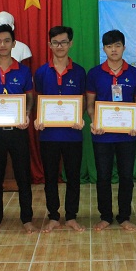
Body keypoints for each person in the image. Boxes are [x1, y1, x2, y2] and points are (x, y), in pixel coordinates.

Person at [0, 24, 36, 234]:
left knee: (23, 177)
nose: (2, 45)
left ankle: (27, 219)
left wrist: (26, 114)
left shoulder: (24, 70)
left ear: (13, 43)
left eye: (7, 41)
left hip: (18, 131)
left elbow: (30, 97)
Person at [86, 29, 136, 231]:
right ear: (104, 49)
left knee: (126, 177)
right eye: (109, 46)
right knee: (103, 177)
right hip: (102, 136)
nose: (113, 50)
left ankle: (124, 216)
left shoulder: (135, 73)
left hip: (127, 136)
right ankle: (105, 216)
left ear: (124, 47)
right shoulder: (94, 73)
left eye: (117, 45)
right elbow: (90, 105)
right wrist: (94, 122)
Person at [34, 26, 86, 233]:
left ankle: (71, 216)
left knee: (73, 177)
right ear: (50, 45)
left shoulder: (79, 72)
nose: (60, 46)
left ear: (70, 44)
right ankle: (53, 216)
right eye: (55, 42)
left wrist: (80, 117)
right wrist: (39, 119)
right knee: (50, 177)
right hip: (48, 135)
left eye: (64, 42)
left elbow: (83, 101)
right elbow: (39, 100)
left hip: (73, 134)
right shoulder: (41, 72)